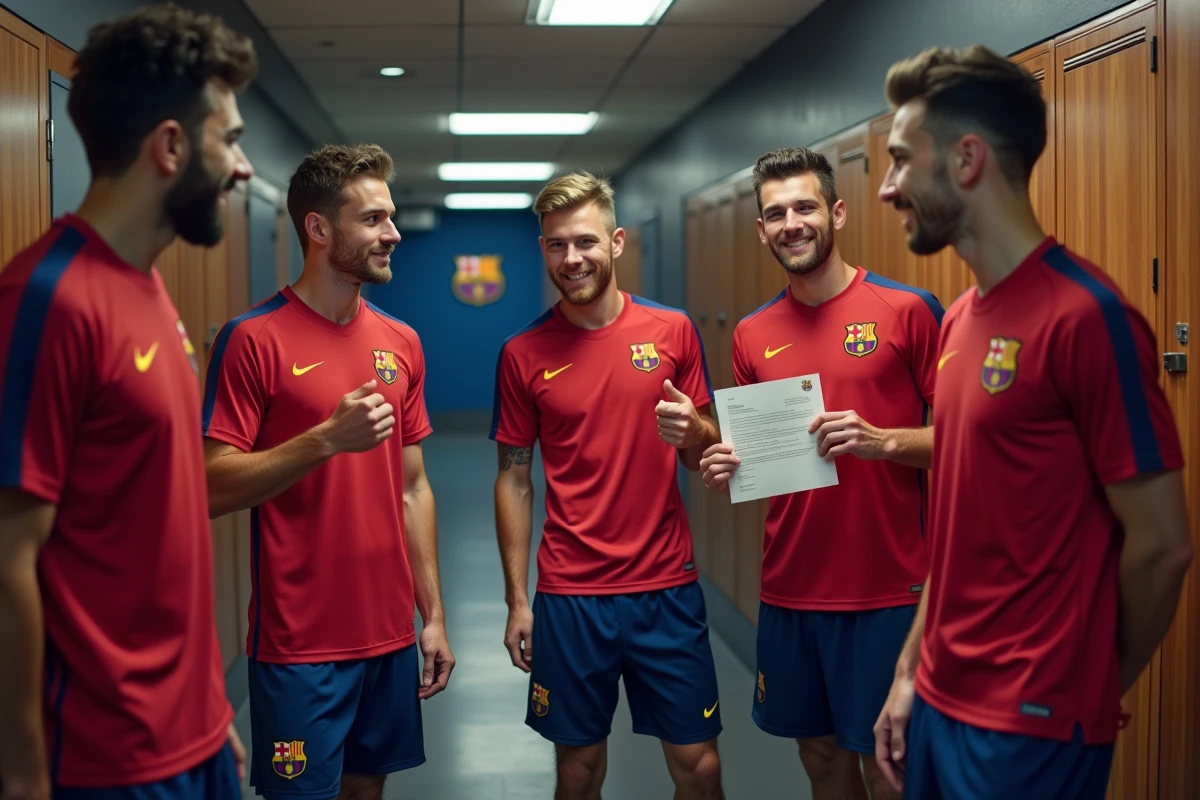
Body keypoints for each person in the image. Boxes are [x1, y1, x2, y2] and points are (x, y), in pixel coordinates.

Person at [871, 45, 1194, 799]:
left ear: (967, 158)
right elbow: (956, 524)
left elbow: (1163, 547)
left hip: (1032, 727)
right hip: (940, 703)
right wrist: (910, 669)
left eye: (898, 159)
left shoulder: (1089, 317)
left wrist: (1086, 683)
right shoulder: (956, 322)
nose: (887, 188)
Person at [0, 5, 255, 799]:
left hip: (193, 735)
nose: (243, 170)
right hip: (104, 762)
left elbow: (159, 524)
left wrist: (211, 711)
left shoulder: (147, 289)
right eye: (232, 139)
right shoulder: (46, 300)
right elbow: (7, 558)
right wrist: (23, 775)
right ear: (171, 146)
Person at [200, 143, 454, 800]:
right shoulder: (253, 339)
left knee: (367, 791)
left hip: (390, 634)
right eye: (372, 220)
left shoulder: (401, 342)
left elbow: (412, 486)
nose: (392, 234)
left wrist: (432, 616)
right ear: (318, 229)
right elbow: (207, 486)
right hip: (299, 646)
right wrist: (322, 441)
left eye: (390, 218)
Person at [699, 146, 941, 800]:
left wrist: (881, 440)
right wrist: (728, 460)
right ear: (760, 229)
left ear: (835, 212)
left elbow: (968, 442)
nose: (791, 223)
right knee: (820, 758)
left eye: (805, 206)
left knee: (887, 766)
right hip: (791, 587)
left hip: (887, 589)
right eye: (775, 213)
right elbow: (765, 459)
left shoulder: (908, 311)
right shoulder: (752, 334)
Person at [491, 172, 725, 800]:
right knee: (578, 771)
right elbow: (514, 477)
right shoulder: (523, 352)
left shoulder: (672, 332)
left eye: (586, 242)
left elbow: (709, 451)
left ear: (617, 242)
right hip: (572, 595)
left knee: (700, 767)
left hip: (665, 590)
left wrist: (694, 430)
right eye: (556, 245)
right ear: (543, 249)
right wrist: (518, 599)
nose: (572, 259)